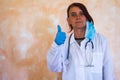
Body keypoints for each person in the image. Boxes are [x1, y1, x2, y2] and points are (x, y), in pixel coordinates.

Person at [47, 2, 114, 80]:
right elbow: (54, 67)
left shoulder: (101, 41)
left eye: (81, 13)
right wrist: (56, 44)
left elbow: (108, 72)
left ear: (86, 17)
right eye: (73, 15)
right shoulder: (64, 43)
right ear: (69, 20)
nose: (78, 17)